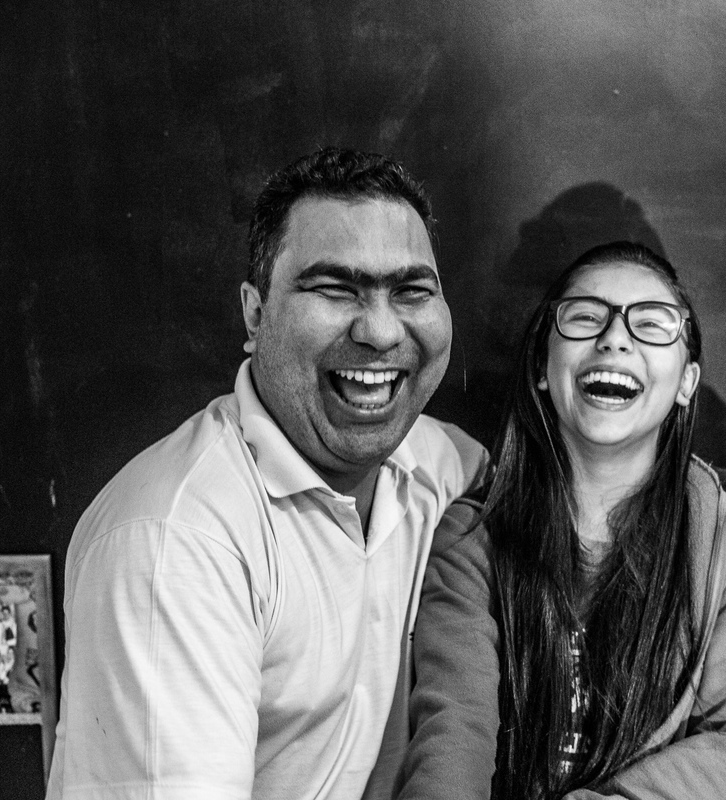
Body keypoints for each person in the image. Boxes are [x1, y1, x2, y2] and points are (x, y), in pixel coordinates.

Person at [46, 148, 486, 800]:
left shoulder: (438, 466)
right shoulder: (174, 542)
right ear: (255, 314)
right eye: (335, 289)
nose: (380, 330)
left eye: (411, 291)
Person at [399, 242, 726, 800]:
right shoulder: (472, 538)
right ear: (543, 368)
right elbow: (453, 735)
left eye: (652, 323)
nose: (615, 338)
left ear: (686, 382)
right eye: (586, 317)